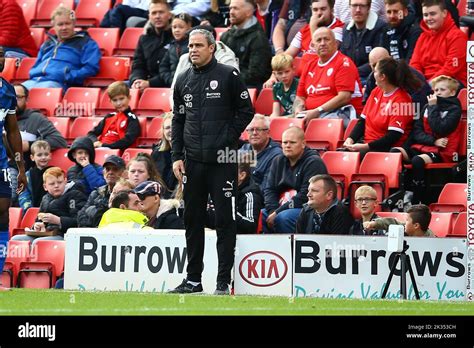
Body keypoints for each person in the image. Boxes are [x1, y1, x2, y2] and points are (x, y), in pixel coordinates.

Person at [169, 28, 253, 294]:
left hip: (222, 159)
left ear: (212, 48)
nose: (192, 50)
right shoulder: (182, 80)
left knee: (224, 221)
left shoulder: (229, 75)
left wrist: (226, 137)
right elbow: (178, 120)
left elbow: (246, 110)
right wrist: (176, 156)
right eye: (190, 46)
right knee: (192, 220)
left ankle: (222, 281)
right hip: (192, 161)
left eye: (197, 45)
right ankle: (193, 280)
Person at [392, 75, 462, 205]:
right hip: (424, 146)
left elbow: (440, 129)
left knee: (417, 160)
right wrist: (432, 141)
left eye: (442, 90)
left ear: (452, 92)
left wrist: (433, 107)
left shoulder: (454, 110)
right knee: (395, 152)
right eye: (436, 90)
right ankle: (401, 194)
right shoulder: (427, 107)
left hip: (443, 152)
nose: (438, 93)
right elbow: (417, 132)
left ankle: (417, 199)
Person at [343, 57, 421, 155]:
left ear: (382, 76)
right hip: (367, 145)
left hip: (386, 149)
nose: (372, 73)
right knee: (341, 155)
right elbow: (363, 121)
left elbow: (393, 135)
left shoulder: (402, 100)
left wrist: (366, 147)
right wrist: (350, 139)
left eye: (375, 71)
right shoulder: (376, 91)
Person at [293, 27, 363, 128]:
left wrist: (318, 111)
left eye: (326, 39)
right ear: (313, 46)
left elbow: (344, 97)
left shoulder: (343, 63)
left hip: (341, 113)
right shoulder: (309, 65)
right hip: (312, 114)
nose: (322, 43)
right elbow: (300, 97)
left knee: (316, 126)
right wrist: (298, 109)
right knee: (273, 123)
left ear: (335, 43)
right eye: (319, 40)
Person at [262, 127, 327, 233]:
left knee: (283, 217)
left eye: (292, 142)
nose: (287, 146)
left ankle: (289, 248)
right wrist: (273, 210)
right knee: (261, 215)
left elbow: (306, 196)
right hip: (281, 207)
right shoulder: (277, 160)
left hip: (308, 208)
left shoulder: (314, 162)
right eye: (285, 142)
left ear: (303, 144)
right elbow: (269, 190)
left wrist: (278, 212)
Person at [22, 6, 101, 91]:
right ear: (53, 26)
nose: (64, 28)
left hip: (58, 83)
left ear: (74, 24)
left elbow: (90, 68)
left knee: (37, 93)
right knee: (12, 92)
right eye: (60, 24)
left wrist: (67, 76)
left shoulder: (86, 43)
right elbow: (37, 64)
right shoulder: (47, 43)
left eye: (67, 23)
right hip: (34, 80)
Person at [0, 45, 27, 290]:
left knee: (2, 212)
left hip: (0, 162)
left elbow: (12, 130)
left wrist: (19, 165)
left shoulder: (7, 90)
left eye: (1, 55)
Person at [11, 167, 87, 245]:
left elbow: (79, 222)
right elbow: (39, 219)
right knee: (16, 240)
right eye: (52, 184)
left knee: (38, 243)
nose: (56, 186)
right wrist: (37, 226)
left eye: (60, 182)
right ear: (45, 187)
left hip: (64, 235)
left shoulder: (75, 195)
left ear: (65, 181)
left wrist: (58, 220)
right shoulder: (45, 198)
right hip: (47, 234)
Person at [409, 0, 467, 87]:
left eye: (432, 14)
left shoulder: (458, 36)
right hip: (425, 85)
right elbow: (415, 64)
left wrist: (428, 85)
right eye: (425, 15)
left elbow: (450, 69)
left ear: (444, 13)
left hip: (451, 84)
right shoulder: (422, 37)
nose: (429, 18)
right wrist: (417, 82)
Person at [363, 47, 430, 121]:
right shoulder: (372, 79)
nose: (378, 68)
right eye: (374, 65)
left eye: (382, 63)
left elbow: (418, 110)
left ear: (391, 59)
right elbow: (367, 107)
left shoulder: (411, 76)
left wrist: (388, 111)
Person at [12, 84, 68, 170]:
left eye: (18, 97)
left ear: (26, 100)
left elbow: (59, 141)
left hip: (25, 173)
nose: (13, 101)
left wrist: (29, 145)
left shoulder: (36, 119)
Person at [220, 0, 273, 88]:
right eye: (230, 8)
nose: (231, 12)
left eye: (236, 8)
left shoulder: (258, 39)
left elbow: (256, 75)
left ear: (248, 12)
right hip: (228, 83)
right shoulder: (226, 36)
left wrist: (227, 78)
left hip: (247, 88)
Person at [206, 162, 263, 234]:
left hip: (242, 241)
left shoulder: (250, 195)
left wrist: (228, 211)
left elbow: (250, 226)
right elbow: (211, 222)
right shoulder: (218, 191)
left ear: (242, 175)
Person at [130, 0, 173, 91]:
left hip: (169, 84)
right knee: (117, 88)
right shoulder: (144, 38)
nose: (157, 16)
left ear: (169, 15)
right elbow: (138, 65)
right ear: (149, 16)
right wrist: (137, 80)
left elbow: (175, 71)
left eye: (161, 12)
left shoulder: (177, 37)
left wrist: (150, 83)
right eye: (154, 13)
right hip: (146, 82)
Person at [340, 0, 387, 84]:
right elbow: (343, 58)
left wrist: (352, 72)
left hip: (371, 78)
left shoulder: (380, 28)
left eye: (362, 6)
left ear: (369, 7)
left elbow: (379, 63)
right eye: (354, 6)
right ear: (349, 7)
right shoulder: (346, 29)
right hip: (349, 76)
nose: (358, 10)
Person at [87, 81, 141, 151]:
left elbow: (128, 140)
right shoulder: (109, 117)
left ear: (129, 98)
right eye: (115, 100)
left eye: (121, 99)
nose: (118, 103)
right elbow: (91, 134)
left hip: (116, 153)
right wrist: (95, 142)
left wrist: (105, 145)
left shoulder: (132, 119)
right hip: (100, 149)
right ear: (110, 101)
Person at [77, 155, 126, 227]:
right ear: (103, 173)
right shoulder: (96, 193)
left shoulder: (128, 194)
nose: (110, 172)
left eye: (115, 169)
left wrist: (92, 212)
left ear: (123, 173)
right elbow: (80, 217)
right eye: (107, 169)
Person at [239, 114, 282, 191]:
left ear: (268, 133)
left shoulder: (276, 155)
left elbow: (267, 188)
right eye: (251, 130)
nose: (254, 133)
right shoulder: (244, 149)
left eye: (258, 129)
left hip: (258, 198)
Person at [158, 13, 193, 87]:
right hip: (172, 85)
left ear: (189, 28)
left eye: (181, 27)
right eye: (174, 27)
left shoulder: (193, 46)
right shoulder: (172, 46)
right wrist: (170, 80)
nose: (176, 30)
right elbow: (163, 67)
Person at [18, 141, 52, 214]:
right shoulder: (27, 175)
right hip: (32, 212)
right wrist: (29, 210)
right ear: (32, 157)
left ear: (50, 156)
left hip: (51, 212)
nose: (43, 157)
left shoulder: (54, 172)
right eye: (39, 155)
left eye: (46, 154)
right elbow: (24, 194)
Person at [363, 203, 435, 237]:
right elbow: (392, 223)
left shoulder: (432, 240)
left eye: (407, 220)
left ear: (416, 225)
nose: (405, 223)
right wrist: (374, 223)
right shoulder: (405, 228)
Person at [151, 113, 179, 197]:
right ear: (163, 131)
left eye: (174, 126)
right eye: (167, 128)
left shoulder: (188, 152)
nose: (171, 130)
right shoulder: (156, 153)